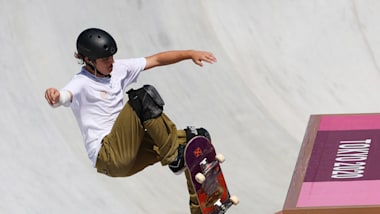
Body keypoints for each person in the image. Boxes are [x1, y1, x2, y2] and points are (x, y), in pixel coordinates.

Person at [44, 28, 216, 214]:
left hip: (131, 149)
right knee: (143, 97)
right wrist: (55, 96)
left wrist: (190, 54)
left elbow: (156, 59)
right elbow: (64, 96)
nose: (111, 62)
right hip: (108, 155)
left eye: (112, 57)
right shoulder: (81, 82)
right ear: (88, 60)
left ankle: (201, 209)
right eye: (105, 60)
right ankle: (174, 158)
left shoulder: (119, 68)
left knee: (196, 142)